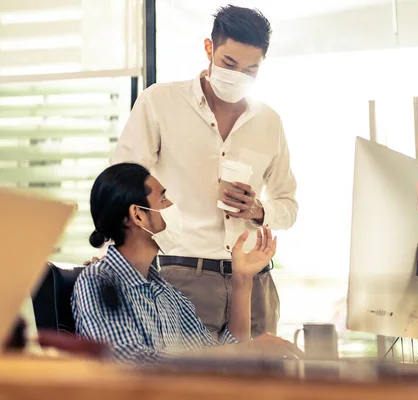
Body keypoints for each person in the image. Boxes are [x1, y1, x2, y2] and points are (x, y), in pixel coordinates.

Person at [109, 5, 297, 338]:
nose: (238, 75)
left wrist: (259, 210)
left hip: (255, 282)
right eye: (229, 64)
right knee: (189, 387)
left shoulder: (270, 121)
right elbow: (121, 182)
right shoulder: (159, 103)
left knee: (259, 387)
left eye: (250, 69)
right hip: (183, 277)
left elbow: (288, 206)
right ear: (209, 48)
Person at [72, 163, 300, 363]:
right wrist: (246, 351)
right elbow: (131, 362)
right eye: (162, 198)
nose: (171, 205)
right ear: (138, 215)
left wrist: (242, 280)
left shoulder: (167, 294)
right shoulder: (97, 281)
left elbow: (218, 357)